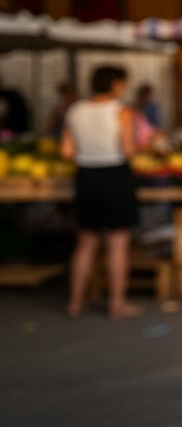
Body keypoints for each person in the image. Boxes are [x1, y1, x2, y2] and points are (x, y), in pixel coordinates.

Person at [61, 66, 141, 319]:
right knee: (117, 243)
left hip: (86, 176)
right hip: (115, 175)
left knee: (86, 243)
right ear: (116, 83)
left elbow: (66, 151)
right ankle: (116, 303)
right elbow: (128, 149)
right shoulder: (121, 110)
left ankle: (75, 303)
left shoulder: (75, 110)